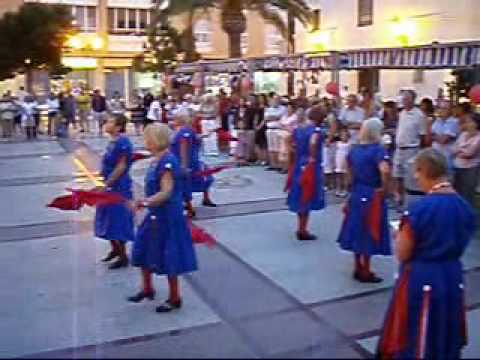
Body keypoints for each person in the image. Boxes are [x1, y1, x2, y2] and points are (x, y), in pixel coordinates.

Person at [376, 148, 476, 359]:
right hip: (451, 275)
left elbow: (403, 254)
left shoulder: (419, 210)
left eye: (417, 172)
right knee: (444, 328)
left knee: (418, 331)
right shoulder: (466, 208)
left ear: (424, 171)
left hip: (422, 278)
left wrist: (398, 237)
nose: (415, 177)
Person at [129, 123, 198, 313]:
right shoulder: (156, 160)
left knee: (170, 255)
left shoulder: (168, 161)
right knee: (142, 248)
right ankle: (147, 288)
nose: (145, 141)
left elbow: (166, 192)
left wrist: (144, 202)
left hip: (167, 215)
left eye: (147, 137)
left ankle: (175, 297)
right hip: (155, 214)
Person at [337, 118, 391, 283]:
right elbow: (385, 170)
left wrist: (349, 191)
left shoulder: (354, 150)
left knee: (357, 228)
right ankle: (366, 270)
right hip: (372, 193)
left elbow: (349, 172)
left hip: (357, 191)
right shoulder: (378, 150)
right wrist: (384, 188)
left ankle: (357, 266)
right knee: (370, 229)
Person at [94, 114, 135, 269]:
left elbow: (121, 166)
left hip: (118, 187)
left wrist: (108, 183)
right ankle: (115, 249)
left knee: (117, 219)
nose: (107, 123)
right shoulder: (113, 142)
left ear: (118, 126)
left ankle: (123, 255)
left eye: (111, 121)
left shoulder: (123, 143)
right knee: (107, 217)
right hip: (109, 184)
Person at [286, 104, 326, 241]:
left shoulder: (298, 129)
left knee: (300, 195)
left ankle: (301, 227)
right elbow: (314, 142)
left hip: (298, 164)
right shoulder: (316, 130)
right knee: (307, 195)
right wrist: (313, 157)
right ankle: (303, 229)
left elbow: (291, 144)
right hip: (310, 165)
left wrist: (292, 160)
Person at [170, 110, 216, 218]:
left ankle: (194, 205)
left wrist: (184, 165)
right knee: (194, 180)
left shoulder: (184, 131)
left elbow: (184, 147)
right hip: (186, 160)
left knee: (190, 181)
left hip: (188, 161)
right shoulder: (182, 130)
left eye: (174, 118)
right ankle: (192, 205)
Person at [393, 90, 427, 211]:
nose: (404, 101)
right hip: (399, 149)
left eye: (407, 99)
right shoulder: (401, 113)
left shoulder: (419, 115)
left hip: (411, 149)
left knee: (409, 177)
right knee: (397, 175)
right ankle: (398, 199)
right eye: (403, 99)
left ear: (413, 100)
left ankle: (408, 202)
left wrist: (420, 151)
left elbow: (423, 135)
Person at [453, 113, 480, 206]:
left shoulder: (478, 137)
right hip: (457, 167)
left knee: (467, 194)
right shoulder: (463, 134)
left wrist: (459, 150)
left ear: (476, 124)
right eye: (466, 122)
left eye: (469, 122)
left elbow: (469, 154)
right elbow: (454, 149)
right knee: (457, 192)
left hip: (470, 169)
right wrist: (462, 150)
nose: (466, 124)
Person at [431, 100, 460, 171]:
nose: (441, 110)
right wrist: (436, 136)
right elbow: (429, 136)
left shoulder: (454, 122)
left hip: (447, 160)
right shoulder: (437, 121)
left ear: (450, 110)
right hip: (436, 160)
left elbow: (443, 140)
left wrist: (434, 136)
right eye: (440, 108)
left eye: (445, 108)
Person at [265, 95, 287, 170]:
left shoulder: (283, 108)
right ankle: (272, 164)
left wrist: (273, 117)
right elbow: (266, 118)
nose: (275, 101)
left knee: (277, 148)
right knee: (271, 148)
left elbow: (280, 117)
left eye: (277, 99)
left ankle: (279, 165)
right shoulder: (268, 109)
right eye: (274, 99)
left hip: (277, 129)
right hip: (269, 129)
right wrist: (275, 117)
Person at [278, 102, 299, 173]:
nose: (288, 109)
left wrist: (286, 127)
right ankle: (282, 166)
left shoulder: (295, 117)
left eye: (290, 108)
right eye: (288, 108)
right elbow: (280, 124)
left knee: (287, 151)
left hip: (290, 136)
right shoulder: (284, 116)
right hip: (282, 135)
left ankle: (287, 167)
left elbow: (293, 128)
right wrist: (285, 126)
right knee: (281, 151)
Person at [335, 128, 350, 197]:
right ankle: (338, 189)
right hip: (338, 160)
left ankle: (345, 189)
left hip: (345, 161)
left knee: (345, 176)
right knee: (338, 175)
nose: (344, 137)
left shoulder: (349, 144)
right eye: (342, 136)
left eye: (345, 136)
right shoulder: (338, 143)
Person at [254, 94, 268, 165]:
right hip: (257, 125)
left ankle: (264, 159)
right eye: (259, 98)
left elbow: (264, 118)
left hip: (262, 126)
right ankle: (259, 158)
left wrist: (260, 126)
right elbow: (256, 117)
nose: (260, 99)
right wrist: (255, 124)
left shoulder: (265, 108)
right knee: (257, 143)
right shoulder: (257, 107)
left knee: (263, 143)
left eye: (262, 98)